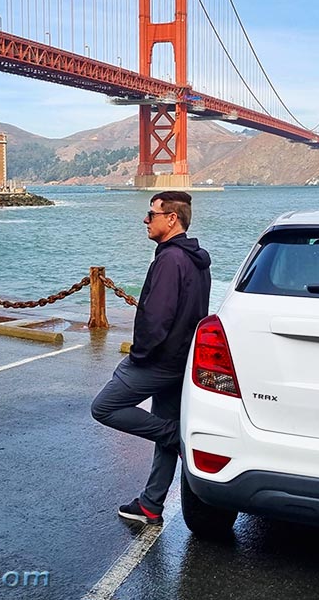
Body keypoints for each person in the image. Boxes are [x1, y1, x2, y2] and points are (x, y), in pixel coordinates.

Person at [91, 191, 212, 526]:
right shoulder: (196, 259)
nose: (145, 220)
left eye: (151, 214)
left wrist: (139, 354)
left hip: (159, 362)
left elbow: (158, 317)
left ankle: (176, 436)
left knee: (105, 407)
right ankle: (150, 505)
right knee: (161, 428)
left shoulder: (170, 260)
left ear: (172, 218)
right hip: (181, 360)